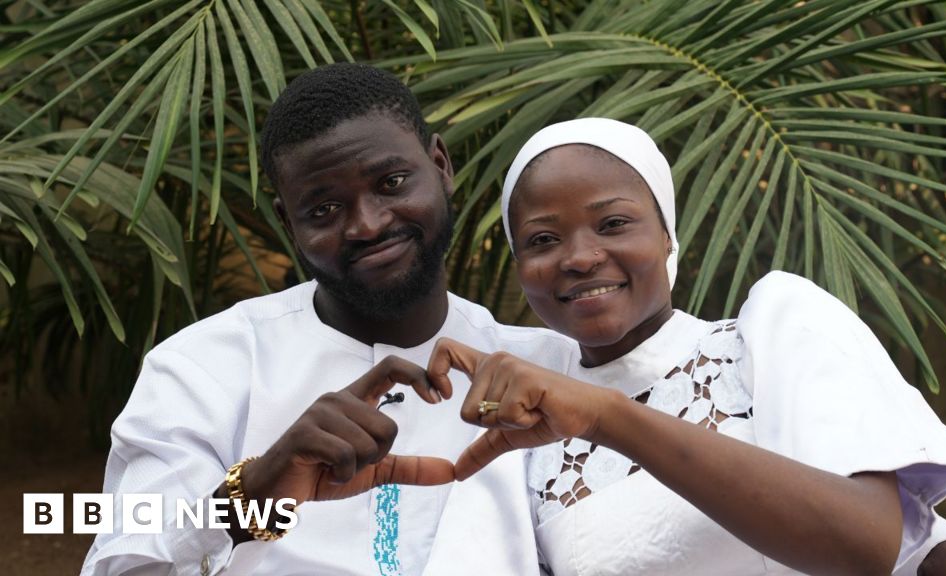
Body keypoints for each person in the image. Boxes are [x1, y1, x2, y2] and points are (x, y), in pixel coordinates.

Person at [426, 118, 946, 575]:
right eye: (543, 239)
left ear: (668, 234)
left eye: (613, 224)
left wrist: (607, 416)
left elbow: (865, 549)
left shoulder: (768, 334)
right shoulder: (524, 448)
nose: (578, 257)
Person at [80, 64, 576, 576]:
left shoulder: (549, 367)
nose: (368, 224)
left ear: (440, 163)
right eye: (324, 209)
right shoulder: (200, 369)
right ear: (287, 221)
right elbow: (122, 566)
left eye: (392, 182)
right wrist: (249, 497)